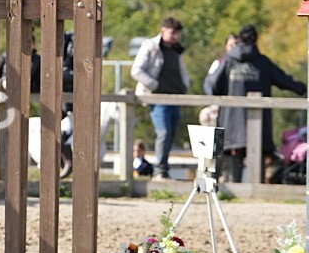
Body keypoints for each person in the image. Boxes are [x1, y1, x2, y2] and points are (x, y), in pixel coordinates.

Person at [209, 24, 307, 182]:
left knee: (236, 153)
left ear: (240, 39)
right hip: (258, 122)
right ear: (256, 39)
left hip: (232, 120)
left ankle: (235, 189)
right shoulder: (263, 62)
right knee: (258, 152)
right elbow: (284, 80)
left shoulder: (228, 60)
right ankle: (256, 189)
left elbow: (213, 84)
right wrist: (302, 89)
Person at [130, 16, 189, 179]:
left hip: (175, 98)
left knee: (171, 134)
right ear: (163, 31)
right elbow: (136, 70)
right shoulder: (151, 46)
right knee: (164, 132)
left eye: (178, 33)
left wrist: (185, 85)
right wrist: (154, 85)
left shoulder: (177, 50)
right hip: (158, 98)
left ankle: (164, 169)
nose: (176, 36)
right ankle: (160, 171)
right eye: (173, 33)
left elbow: (182, 72)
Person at [199, 34, 238, 127]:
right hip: (219, 104)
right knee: (205, 116)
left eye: (237, 45)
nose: (234, 48)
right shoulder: (218, 63)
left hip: (236, 106)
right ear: (226, 47)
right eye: (231, 45)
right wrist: (215, 101)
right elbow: (208, 85)